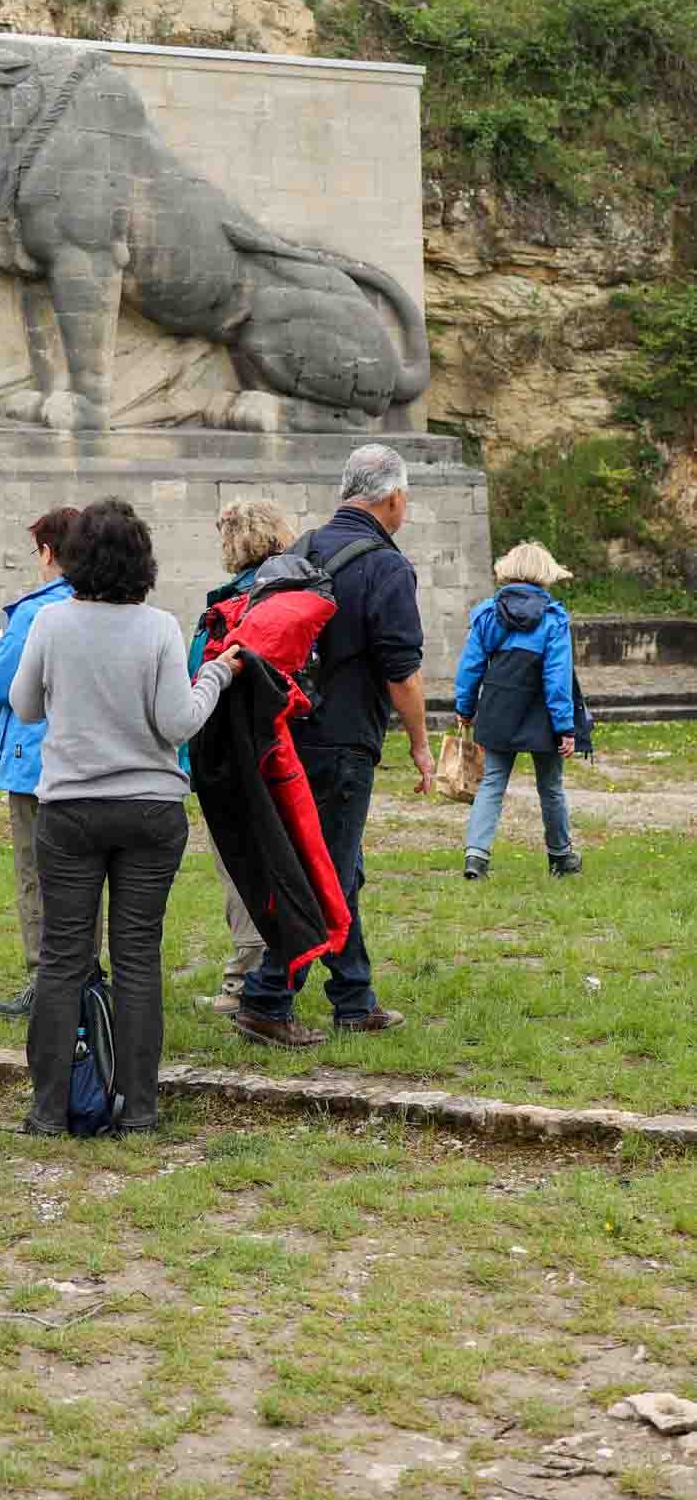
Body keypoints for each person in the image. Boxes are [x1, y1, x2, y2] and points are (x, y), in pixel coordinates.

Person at [10, 496, 238, 1137]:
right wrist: (215, 675)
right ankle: (139, 1109)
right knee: (138, 958)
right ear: (144, 562)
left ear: (74, 559)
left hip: (71, 809)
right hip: (149, 808)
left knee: (64, 958)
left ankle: (48, 1110)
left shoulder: (51, 623)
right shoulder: (160, 628)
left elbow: (25, 706)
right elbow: (178, 722)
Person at [233, 442, 434, 1050]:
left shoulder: (301, 549)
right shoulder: (387, 567)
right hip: (344, 742)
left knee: (339, 869)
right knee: (326, 874)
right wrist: (421, 746)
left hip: (287, 731)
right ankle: (267, 997)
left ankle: (354, 998)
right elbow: (402, 672)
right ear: (393, 498)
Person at [187, 499, 296, 1007]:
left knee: (240, 868)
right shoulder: (300, 596)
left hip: (235, 759)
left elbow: (195, 686)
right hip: (293, 752)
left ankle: (245, 980)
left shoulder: (226, 607)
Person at [0, 506, 80, 1018]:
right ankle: (85, 971)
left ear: (48, 553)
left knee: (36, 872)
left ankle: (45, 975)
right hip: (87, 762)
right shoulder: (105, 601)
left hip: (34, 758)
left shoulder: (36, 610)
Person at [455, 541, 581, 880]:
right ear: (545, 574)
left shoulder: (487, 613)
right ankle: (561, 856)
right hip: (541, 711)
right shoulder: (553, 619)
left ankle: (475, 857)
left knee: (492, 782)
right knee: (551, 786)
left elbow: (471, 666)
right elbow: (557, 680)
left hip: (498, 707)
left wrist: (464, 707)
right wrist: (565, 727)